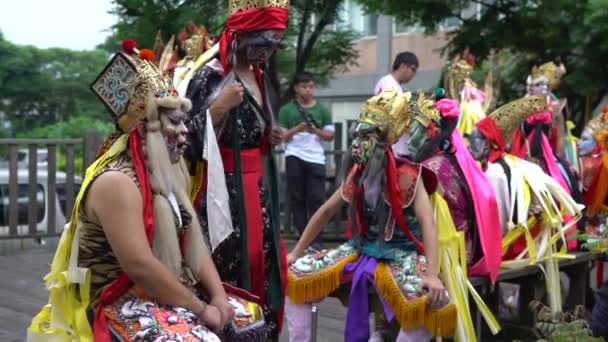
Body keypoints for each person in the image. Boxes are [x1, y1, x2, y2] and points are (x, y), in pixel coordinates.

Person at [26, 40, 257, 341]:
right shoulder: (117, 182)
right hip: (115, 300)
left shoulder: (170, 174)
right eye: (175, 121)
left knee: (250, 317)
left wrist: (218, 298)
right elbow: (140, 267)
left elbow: (193, 246)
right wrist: (201, 310)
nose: (185, 130)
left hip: (163, 292)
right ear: (145, 129)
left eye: (184, 120)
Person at [285, 89, 456, 342]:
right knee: (294, 278)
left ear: (384, 142)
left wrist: (431, 274)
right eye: (358, 135)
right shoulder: (357, 173)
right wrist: (296, 252)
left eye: (367, 136)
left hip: (402, 254)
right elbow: (325, 212)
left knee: (432, 303)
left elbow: (428, 225)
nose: (358, 143)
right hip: (361, 248)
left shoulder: (409, 175)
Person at [182, 0, 289, 340]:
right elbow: (185, 138)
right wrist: (218, 108)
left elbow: (253, 132)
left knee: (264, 262)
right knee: (229, 263)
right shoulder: (209, 75)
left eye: (274, 46)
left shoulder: (257, 75)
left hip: (257, 190)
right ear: (242, 37)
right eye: (263, 44)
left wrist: (269, 136)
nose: (268, 53)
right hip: (222, 191)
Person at [469, 95, 583, 315]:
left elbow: (498, 219)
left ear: (491, 142)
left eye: (479, 139)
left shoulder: (495, 172)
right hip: (527, 250)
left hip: (507, 251)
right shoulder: (514, 165)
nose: (473, 144)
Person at [279, 72, 334, 250]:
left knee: (316, 198)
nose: (308, 90)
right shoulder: (287, 110)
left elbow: (330, 135)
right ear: (296, 88)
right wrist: (298, 128)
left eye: (311, 86)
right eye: (304, 86)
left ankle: (317, 239)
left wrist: (314, 130)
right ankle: (304, 239)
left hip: (316, 157)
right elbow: (282, 137)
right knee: (297, 198)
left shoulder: (322, 110)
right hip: (294, 155)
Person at [374, 51, 419, 158]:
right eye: (413, 69)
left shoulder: (396, 86)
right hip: (392, 150)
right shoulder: (387, 83)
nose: (413, 74)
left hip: (399, 149)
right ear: (403, 66)